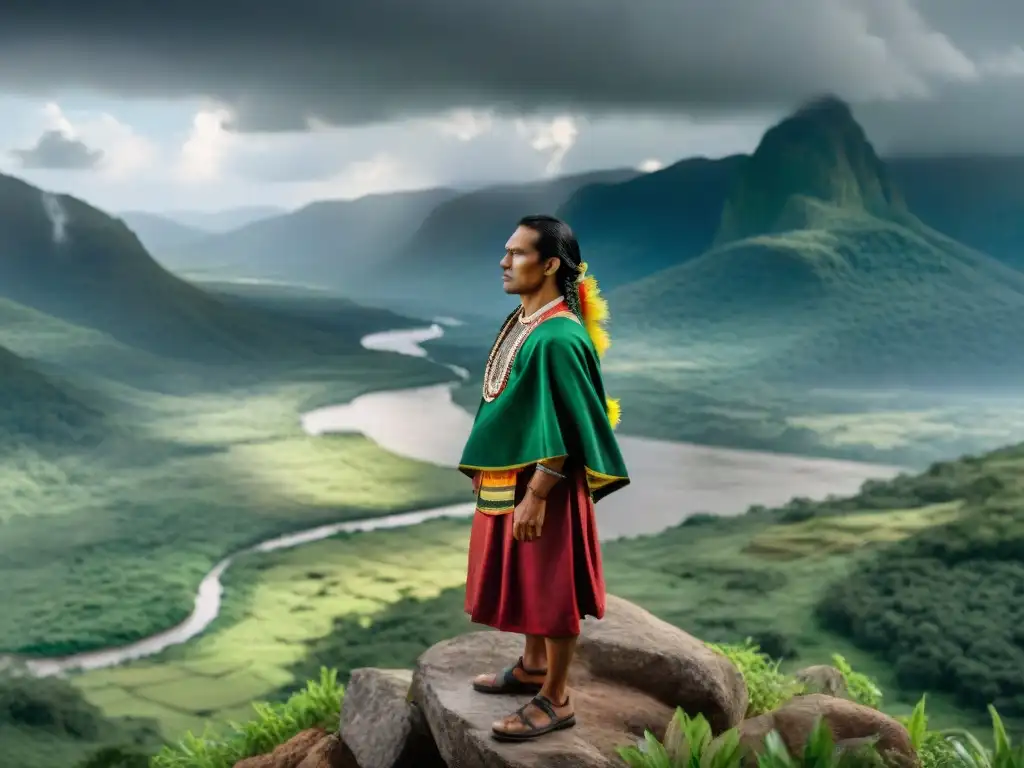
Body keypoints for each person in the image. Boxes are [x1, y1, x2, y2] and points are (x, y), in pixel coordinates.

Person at [457, 214, 630, 742]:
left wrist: (538, 493)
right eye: (506, 252)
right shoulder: (527, 321)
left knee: (550, 584)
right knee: (528, 575)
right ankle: (532, 667)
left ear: (551, 264)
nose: (504, 262)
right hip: (517, 480)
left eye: (518, 254)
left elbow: (574, 423)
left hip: (544, 487)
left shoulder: (557, 337)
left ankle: (556, 698)